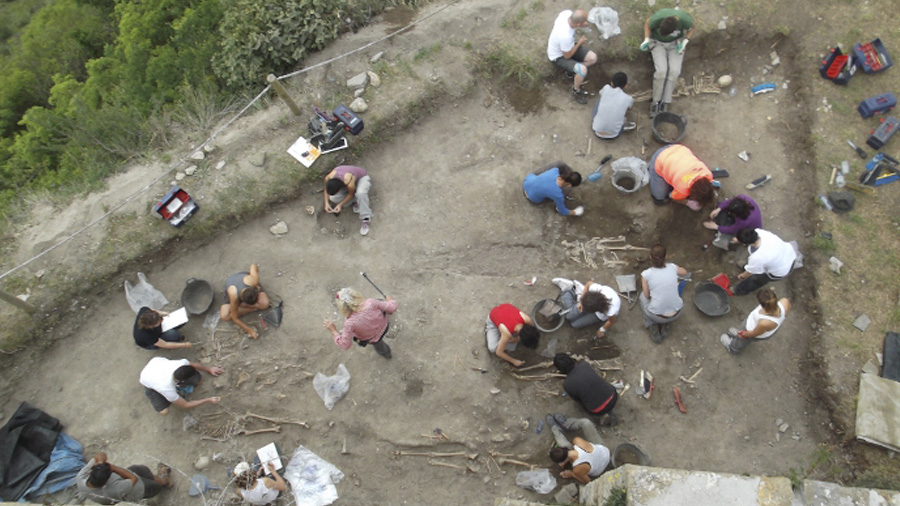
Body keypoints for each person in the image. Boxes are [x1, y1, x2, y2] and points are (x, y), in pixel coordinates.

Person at [640, 8, 694, 117]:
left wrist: (685, 41)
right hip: (658, 43)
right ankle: (655, 101)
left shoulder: (684, 19)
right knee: (661, 71)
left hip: (675, 43)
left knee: (674, 71)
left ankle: (665, 100)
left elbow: (692, 27)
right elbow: (647, 23)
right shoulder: (658, 17)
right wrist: (646, 39)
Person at [323, 287, 398, 359]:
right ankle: (386, 353)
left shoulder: (349, 323)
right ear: (356, 296)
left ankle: (386, 353)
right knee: (380, 301)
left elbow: (345, 345)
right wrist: (390, 300)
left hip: (372, 338)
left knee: (379, 344)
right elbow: (392, 307)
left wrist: (334, 331)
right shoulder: (371, 302)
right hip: (385, 326)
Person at [76, 452, 171, 505]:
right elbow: (133, 478)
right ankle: (165, 481)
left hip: (124, 481)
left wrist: (100, 461)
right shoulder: (115, 489)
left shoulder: (80, 478)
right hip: (139, 489)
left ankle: (158, 479)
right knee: (155, 486)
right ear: (106, 482)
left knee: (141, 469)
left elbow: (101, 455)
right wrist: (113, 468)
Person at [139, 357, 224, 415]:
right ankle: (157, 393)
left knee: (199, 380)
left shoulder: (181, 363)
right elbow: (185, 405)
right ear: (182, 381)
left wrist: (209, 369)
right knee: (164, 411)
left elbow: (192, 364)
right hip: (148, 380)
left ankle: (176, 392)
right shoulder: (167, 389)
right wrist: (208, 400)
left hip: (155, 364)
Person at [547, 9, 597, 104]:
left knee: (593, 58)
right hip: (558, 56)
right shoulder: (565, 36)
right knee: (582, 70)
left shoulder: (566, 13)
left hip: (567, 46)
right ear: (578, 24)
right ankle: (575, 90)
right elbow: (567, 56)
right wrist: (579, 44)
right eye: (584, 22)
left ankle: (571, 72)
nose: (586, 23)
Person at [639, 245, 688, 343]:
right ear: (666, 257)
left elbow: (647, 295)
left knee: (642, 297)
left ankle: (652, 324)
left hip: (657, 316)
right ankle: (667, 324)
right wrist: (674, 267)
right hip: (677, 312)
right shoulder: (672, 267)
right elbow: (684, 272)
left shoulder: (646, 274)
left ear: (650, 257)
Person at [720, 288, 791, 354]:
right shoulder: (785, 302)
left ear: (762, 305)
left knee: (742, 340)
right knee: (741, 334)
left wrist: (743, 334)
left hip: (751, 331)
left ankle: (733, 348)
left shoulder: (765, 322)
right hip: (761, 329)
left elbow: (754, 333)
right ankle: (737, 335)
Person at [553, 353, 618, 425]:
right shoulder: (584, 365)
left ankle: (602, 415)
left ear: (560, 370)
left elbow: (578, 400)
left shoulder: (567, 384)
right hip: (613, 396)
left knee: (581, 403)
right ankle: (608, 409)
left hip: (598, 410)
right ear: (571, 360)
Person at [546, 414, 610, 484]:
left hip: (599, 468)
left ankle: (557, 427)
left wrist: (572, 474)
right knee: (586, 423)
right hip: (604, 451)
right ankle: (560, 425)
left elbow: (589, 482)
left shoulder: (577, 469)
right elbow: (572, 453)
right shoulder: (577, 441)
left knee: (564, 443)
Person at [647, 144, 715, 210]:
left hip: (677, 148)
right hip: (659, 159)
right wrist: (688, 203)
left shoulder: (708, 174)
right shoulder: (682, 189)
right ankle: (650, 166)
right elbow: (674, 198)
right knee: (659, 198)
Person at [732, 228, 797, 295]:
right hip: (789, 253)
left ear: (745, 244)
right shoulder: (760, 232)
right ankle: (748, 267)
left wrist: (742, 276)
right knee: (756, 265)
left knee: (756, 279)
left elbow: (750, 272)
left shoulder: (758, 256)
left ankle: (739, 290)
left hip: (781, 270)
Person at [552, 278, 620, 338]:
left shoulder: (610, 310)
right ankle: (570, 289)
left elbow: (611, 321)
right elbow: (588, 284)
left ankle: (577, 292)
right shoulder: (596, 289)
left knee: (575, 324)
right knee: (568, 316)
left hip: (598, 315)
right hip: (590, 302)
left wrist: (602, 330)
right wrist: (581, 302)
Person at [220, 264, 270, 339]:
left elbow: (253, 266)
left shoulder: (253, 281)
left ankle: (248, 307)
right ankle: (252, 308)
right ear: (241, 300)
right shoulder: (234, 296)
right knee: (224, 316)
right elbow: (235, 318)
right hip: (233, 287)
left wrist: (256, 275)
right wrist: (249, 330)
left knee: (265, 304)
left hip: (246, 282)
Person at [324, 165, 373, 235]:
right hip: (344, 182)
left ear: (339, 189)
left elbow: (351, 194)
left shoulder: (348, 182)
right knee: (333, 198)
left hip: (362, 178)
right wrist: (326, 203)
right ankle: (357, 200)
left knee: (360, 193)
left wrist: (340, 205)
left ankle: (366, 217)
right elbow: (326, 190)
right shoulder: (329, 177)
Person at [592, 72, 635, 139]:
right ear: (626, 85)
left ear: (611, 83)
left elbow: (601, 93)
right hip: (615, 135)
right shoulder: (628, 98)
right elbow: (630, 108)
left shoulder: (606, 88)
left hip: (597, 131)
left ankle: (600, 120)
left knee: (599, 101)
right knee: (622, 109)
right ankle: (623, 123)